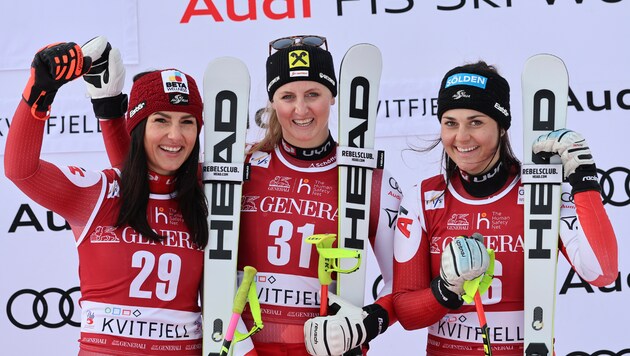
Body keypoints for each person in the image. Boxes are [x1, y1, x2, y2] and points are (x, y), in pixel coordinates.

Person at [391, 61, 619, 355]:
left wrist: (584, 180)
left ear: (501, 127)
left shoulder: (542, 192)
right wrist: (447, 289)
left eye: (476, 122)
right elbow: (406, 313)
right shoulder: (424, 198)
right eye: (451, 123)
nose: (461, 137)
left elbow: (602, 273)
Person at [5, 38, 209, 355]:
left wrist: (110, 109)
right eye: (161, 120)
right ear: (137, 128)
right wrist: (40, 92)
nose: (175, 135)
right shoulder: (101, 193)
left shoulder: (205, 192)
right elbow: (22, 170)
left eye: (187, 122)